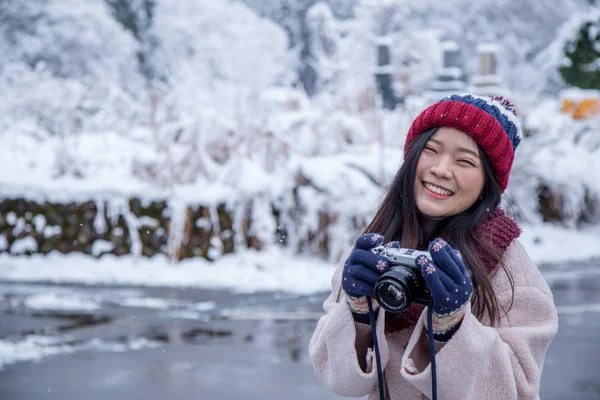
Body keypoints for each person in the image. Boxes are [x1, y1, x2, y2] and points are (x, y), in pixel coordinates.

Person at [308, 94, 559, 400]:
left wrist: (452, 327)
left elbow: (518, 392)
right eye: (431, 150)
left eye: (464, 161)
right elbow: (342, 382)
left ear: (487, 184)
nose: (441, 169)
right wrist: (358, 314)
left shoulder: (511, 273)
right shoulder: (376, 247)